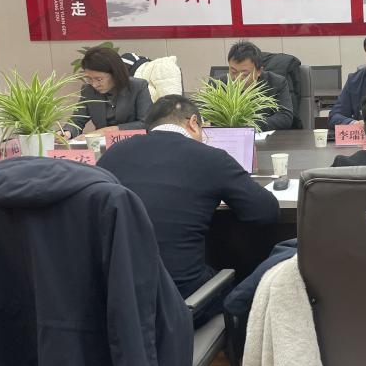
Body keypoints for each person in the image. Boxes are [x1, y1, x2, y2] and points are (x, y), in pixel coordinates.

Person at [97, 95, 281, 325]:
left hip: (113, 301)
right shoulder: (210, 157)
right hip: (180, 303)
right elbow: (265, 212)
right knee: (243, 282)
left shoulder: (112, 154)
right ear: (194, 122)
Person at [63, 45, 153, 138]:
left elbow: (146, 123)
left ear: (115, 74)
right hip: (102, 145)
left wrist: (106, 131)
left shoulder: (138, 86)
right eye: (89, 79)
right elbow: (77, 120)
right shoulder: (88, 90)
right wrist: (67, 133)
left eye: (99, 79)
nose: (94, 84)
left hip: (134, 142)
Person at [226, 41, 295, 131]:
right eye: (233, 72)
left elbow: (285, 117)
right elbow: (208, 117)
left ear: (259, 71)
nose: (238, 78)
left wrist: (251, 126)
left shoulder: (276, 83)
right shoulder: (219, 84)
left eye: (245, 74)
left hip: (265, 137)